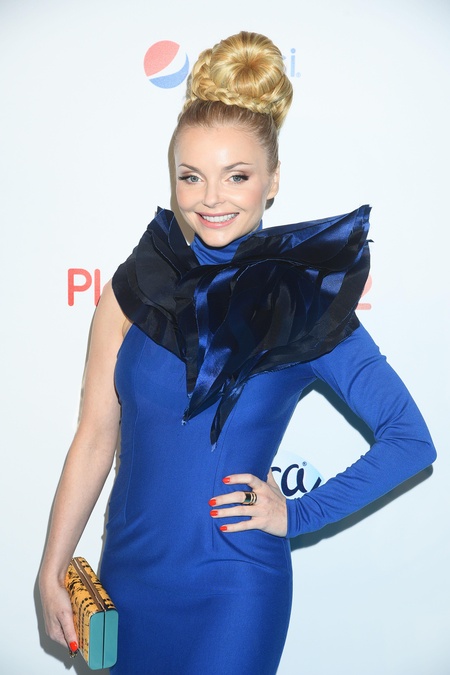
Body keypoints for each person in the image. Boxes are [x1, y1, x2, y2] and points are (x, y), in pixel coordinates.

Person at [39, 30, 436, 674]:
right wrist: (52, 568)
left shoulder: (301, 299)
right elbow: (93, 438)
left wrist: (298, 514)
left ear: (272, 181)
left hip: (234, 589)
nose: (211, 198)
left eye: (238, 176)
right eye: (191, 177)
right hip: (128, 581)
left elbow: (409, 440)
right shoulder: (133, 288)